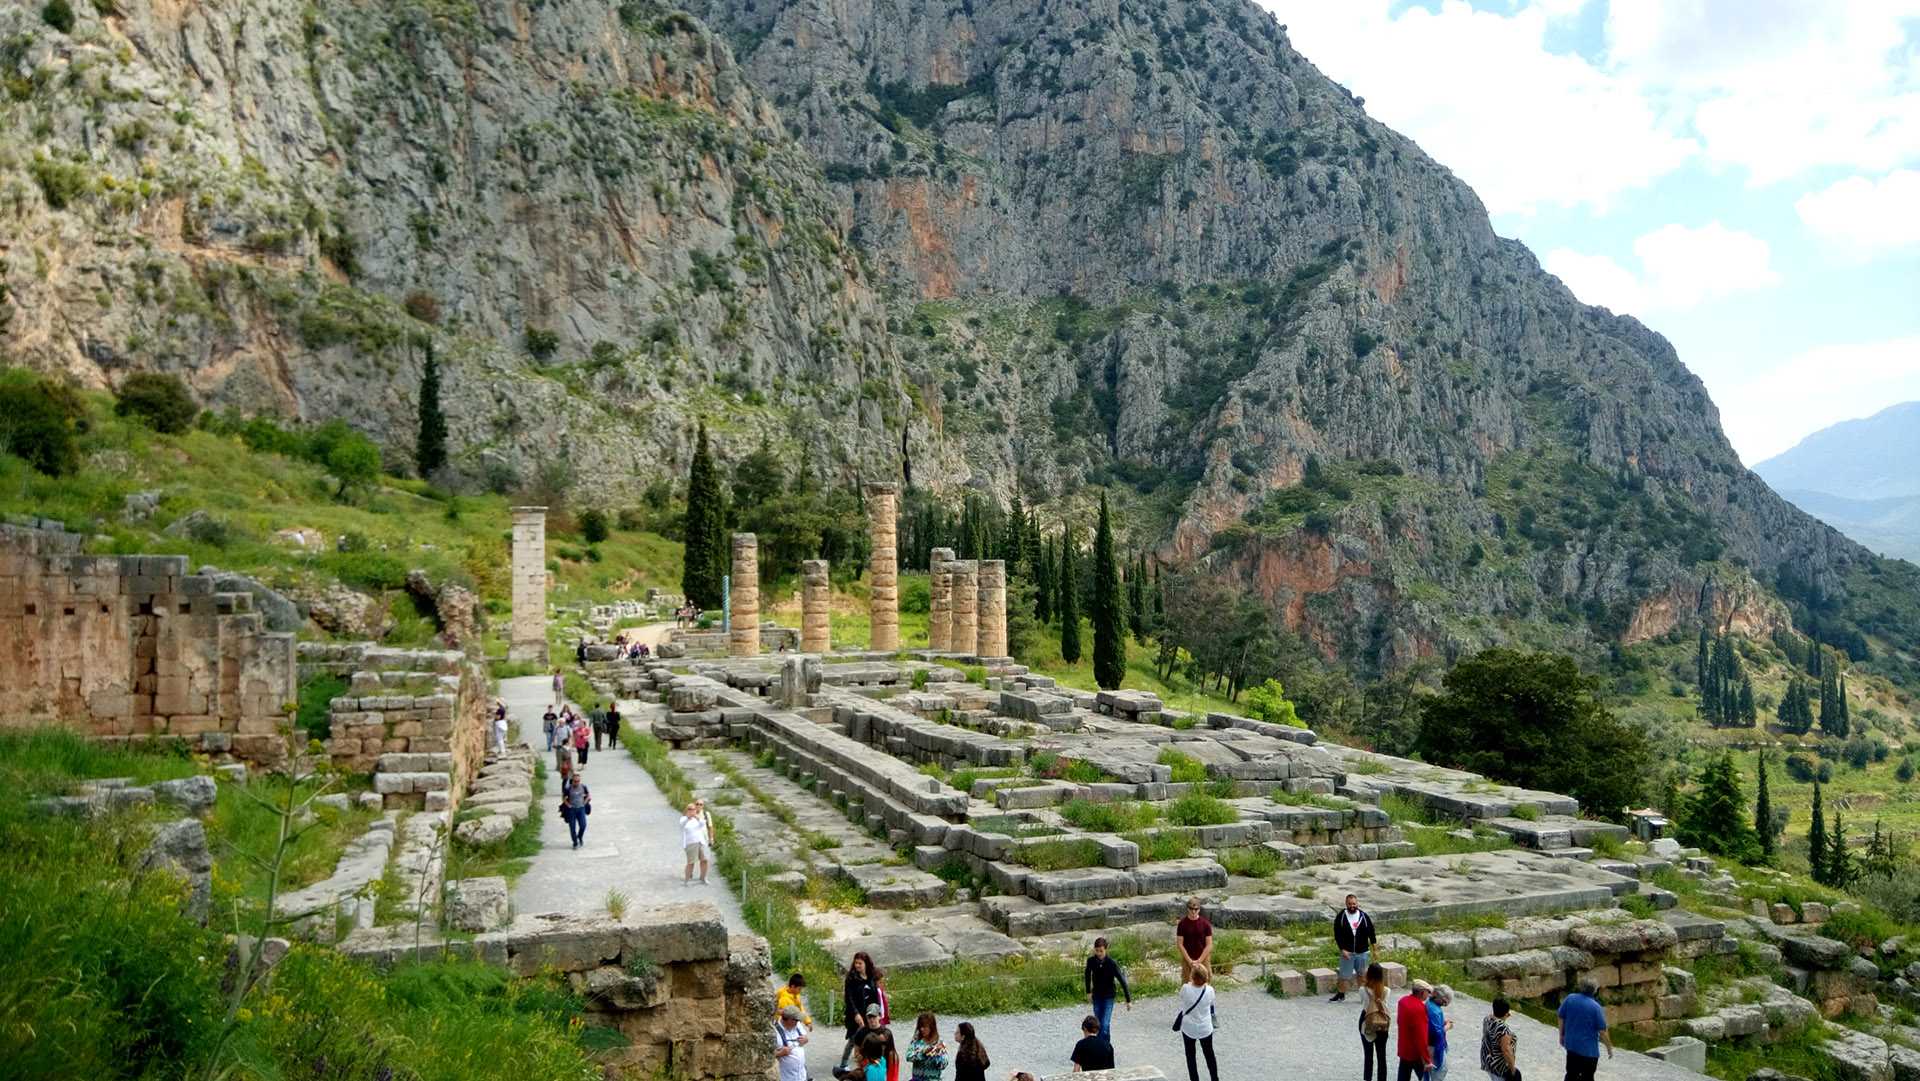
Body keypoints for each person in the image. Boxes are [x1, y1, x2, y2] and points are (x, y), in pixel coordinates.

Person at [1557, 977, 1612, 1081]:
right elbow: (1602, 1031)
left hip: (1572, 1045)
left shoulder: (1570, 998)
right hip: (1589, 1051)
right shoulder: (1596, 1007)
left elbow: (1560, 1016)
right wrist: (1609, 1048)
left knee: (1571, 1074)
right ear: (1595, 990)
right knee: (1588, 1077)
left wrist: (1561, 1035)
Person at [1083, 936, 1132, 1040]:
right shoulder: (1091, 961)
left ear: (1106, 949)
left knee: (1105, 1024)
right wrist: (1088, 992)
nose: (1099, 953)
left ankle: (1102, 1047)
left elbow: (1122, 980)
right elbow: (1087, 975)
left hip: (1108, 997)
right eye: (1097, 951)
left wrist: (1128, 1000)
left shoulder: (1111, 963)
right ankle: (1105, 1046)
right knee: (1098, 1024)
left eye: (1101, 951)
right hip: (1096, 996)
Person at [1175, 962, 1218, 1081]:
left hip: (1189, 1027)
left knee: (1190, 1056)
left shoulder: (1186, 988)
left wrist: (1190, 981)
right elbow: (1211, 1004)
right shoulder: (1210, 990)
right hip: (1205, 1027)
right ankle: (1215, 1078)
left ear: (1192, 976)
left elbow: (1182, 997)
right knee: (1209, 1055)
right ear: (1206, 977)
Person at [1331, 893, 1378, 1002]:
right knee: (1344, 976)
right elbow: (1337, 934)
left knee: (1362, 975)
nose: (1352, 906)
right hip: (1347, 952)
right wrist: (1342, 949)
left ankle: (1363, 996)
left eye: (1354, 904)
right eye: (1349, 904)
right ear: (1346, 904)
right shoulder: (1341, 917)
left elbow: (1371, 933)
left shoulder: (1364, 916)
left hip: (1362, 952)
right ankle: (1341, 994)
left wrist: (1375, 950)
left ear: (1357, 904)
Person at [839, 952, 881, 1069]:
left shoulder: (871, 976)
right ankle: (843, 1064)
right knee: (853, 1039)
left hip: (869, 1012)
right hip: (855, 1013)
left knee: (870, 1037)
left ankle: (868, 1061)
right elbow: (849, 998)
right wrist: (856, 1014)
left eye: (860, 963)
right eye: (856, 963)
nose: (857, 965)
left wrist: (878, 1012)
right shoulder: (851, 978)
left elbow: (875, 996)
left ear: (866, 964)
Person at [1396, 979, 1434, 1081]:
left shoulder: (1403, 1001)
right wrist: (1427, 1060)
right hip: (1415, 1052)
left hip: (1404, 1047)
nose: (1428, 995)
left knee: (1403, 1076)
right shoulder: (1419, 1008)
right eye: (1428, 992)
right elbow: (1421, 1035)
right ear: (1422, 992)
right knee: (1425, 1077)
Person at [1359, 961, 1391, 1081]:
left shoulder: (1363, 990)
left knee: (1368, 1055)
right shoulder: (1387, 990)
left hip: (1367, 1020)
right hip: (1382, 1022)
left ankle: (1367, 1079)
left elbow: (1364, 1004)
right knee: (1381, 1056)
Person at [1481, 998, 1520, 1081]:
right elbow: (1506, 1050)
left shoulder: (1487, 1019)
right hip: (1499, 1067)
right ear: (1506, 1014)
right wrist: (1513, 1069)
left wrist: (1503, 1015)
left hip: (1488, 1061)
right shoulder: (1503, 1030)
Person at [1175, 897, 1213, 981]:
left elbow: (1209, 945)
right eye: (1191, 908)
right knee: (1187, 982)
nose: (1193, 911)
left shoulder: (1205, 924)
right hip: (1188, 959)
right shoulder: (1182, 924)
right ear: (1187, 909)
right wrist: (1189, 961)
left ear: (1199, 909)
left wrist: (1199, 960)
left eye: (1196, 909)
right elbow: (1180, 944)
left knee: (1206, 981)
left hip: (1203, 958)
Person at [905, 1012, 948, 1081]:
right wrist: (923, 1054)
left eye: (924, 1027)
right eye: (920, 1026)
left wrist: (936, 1055)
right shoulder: (915, 1042)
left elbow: (943, 1065)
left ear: (932, 1027)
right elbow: (908, 1057)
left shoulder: (940, 1043)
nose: (921, 1029)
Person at [775, 1004, 810, 1081]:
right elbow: (766, 1055)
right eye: (797, 1020)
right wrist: (780, 1053)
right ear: (789, 1019)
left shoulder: (797, 1025)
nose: (799, 1022)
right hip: (786, 1078)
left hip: (802, 1076)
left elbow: (806, 1037)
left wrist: (806, 1039)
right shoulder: (774, 1031)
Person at [681, 800, 711, 886]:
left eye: (693, 809)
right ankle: (686, 880)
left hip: (701, 842)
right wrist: (688, 817)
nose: (692, 810)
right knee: (691, 862)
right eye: (690, 809)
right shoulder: (683, 819)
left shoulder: (698, 818)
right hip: (690, 843)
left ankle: (703, 877)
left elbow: (703, 823)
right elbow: (682, 825)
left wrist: (696, 816)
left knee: (704, 860)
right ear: (687, 810)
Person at [1428, 984, 1454, 1081]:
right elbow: (1436, 1033)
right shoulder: (1434, 1010)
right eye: (1446, 1000)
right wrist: (1447, 1026)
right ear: (1440, 996)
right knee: (1440, 1071)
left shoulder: (1430, 1003)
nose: (1446, 1003)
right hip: (1433, 1046)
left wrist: (1442, 1022)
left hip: (1431, 1044)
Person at [560, 769, 590, 849]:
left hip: (581, 809)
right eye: (575, 781)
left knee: (583, 825)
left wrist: (585, 803)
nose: (577, 782)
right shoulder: (568, 788)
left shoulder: (583, 787)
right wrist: (568, 804)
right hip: (572, 810)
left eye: (578, 781)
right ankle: (575, 842)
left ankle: (579, 837)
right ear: (572, 781)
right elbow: (563, 797)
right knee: (572, 827)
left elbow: (588, 795)